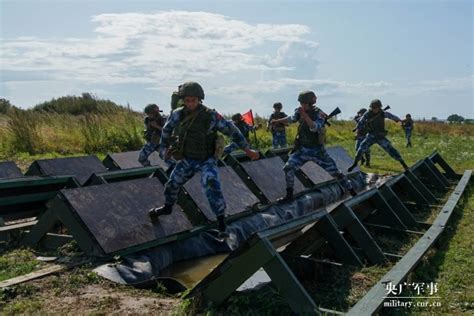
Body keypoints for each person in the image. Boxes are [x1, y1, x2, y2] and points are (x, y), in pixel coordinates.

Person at [148, 82, 260, 239]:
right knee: (172, 184)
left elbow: (232, 130)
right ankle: (167, 208)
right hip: (187, 158)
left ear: (199, 99)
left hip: (206, 160)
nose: (190, 103)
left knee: (211, 185)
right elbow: (166, 130)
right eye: (187, 100)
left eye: (193, 100)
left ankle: (222, 223)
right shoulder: (178, 114)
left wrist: (247, 150)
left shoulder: (211, 116)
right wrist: (164, 149)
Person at [270, 90, 357, 202]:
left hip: (318, 151)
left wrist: (305, 115)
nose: (302, 105)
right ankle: (289, 195)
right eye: (301, 103)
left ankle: (351, 190)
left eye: (304, 103)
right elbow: (291, 119)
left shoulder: (318, 113)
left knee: (336, 173)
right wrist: (277, 121)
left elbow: (315, 127)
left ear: (310, 103)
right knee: (288, 168)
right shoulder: (299, 111)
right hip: (302, 150)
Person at [348, 99, 409, 171]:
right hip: (371, 136)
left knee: (391, 150)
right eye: (374, 108)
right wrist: (358, 130)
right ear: (371, 108)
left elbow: (391, 116)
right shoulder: (367, 114)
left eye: (377, 108)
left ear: (379, 107)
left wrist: (399, 120)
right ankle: (355, 164)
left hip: (380, 136)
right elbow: (360, 123)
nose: (375, 110)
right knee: (360, 150)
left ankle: (403, 164)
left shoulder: (382, 113)